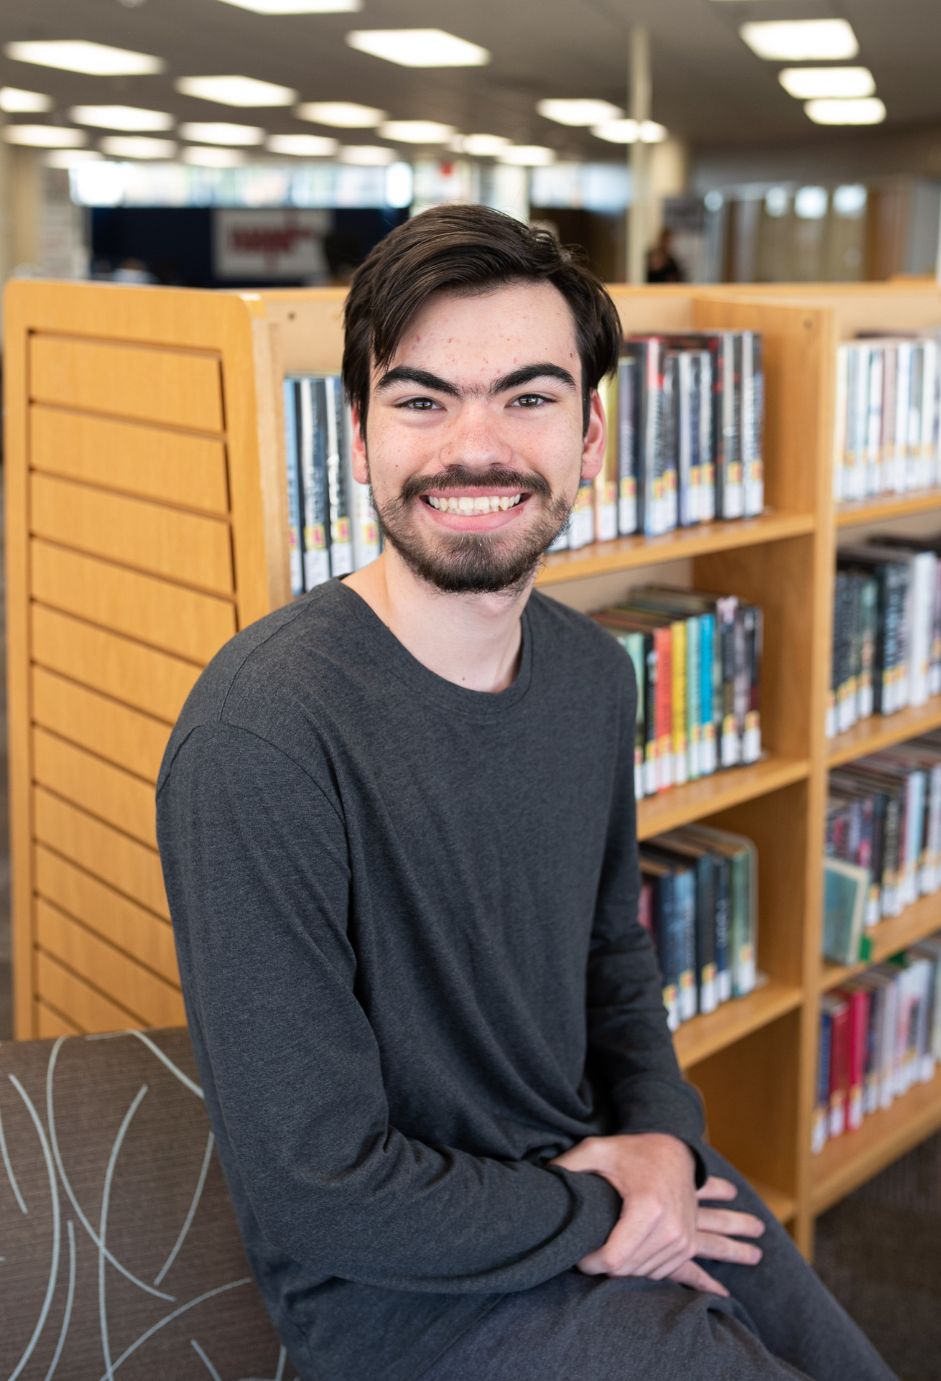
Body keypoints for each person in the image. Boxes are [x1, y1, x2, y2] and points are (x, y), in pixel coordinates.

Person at [156, 204, 894, 1381]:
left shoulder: (595, 677)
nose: (474, 446)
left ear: (591, 435)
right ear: (356, 434)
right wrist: (604, 1212)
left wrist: (659, 1141)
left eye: (528, 396)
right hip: (407, 1287)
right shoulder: (262, 735)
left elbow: (610, 953)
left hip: (596, 1169)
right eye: (421, 399)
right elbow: (318, 1190)